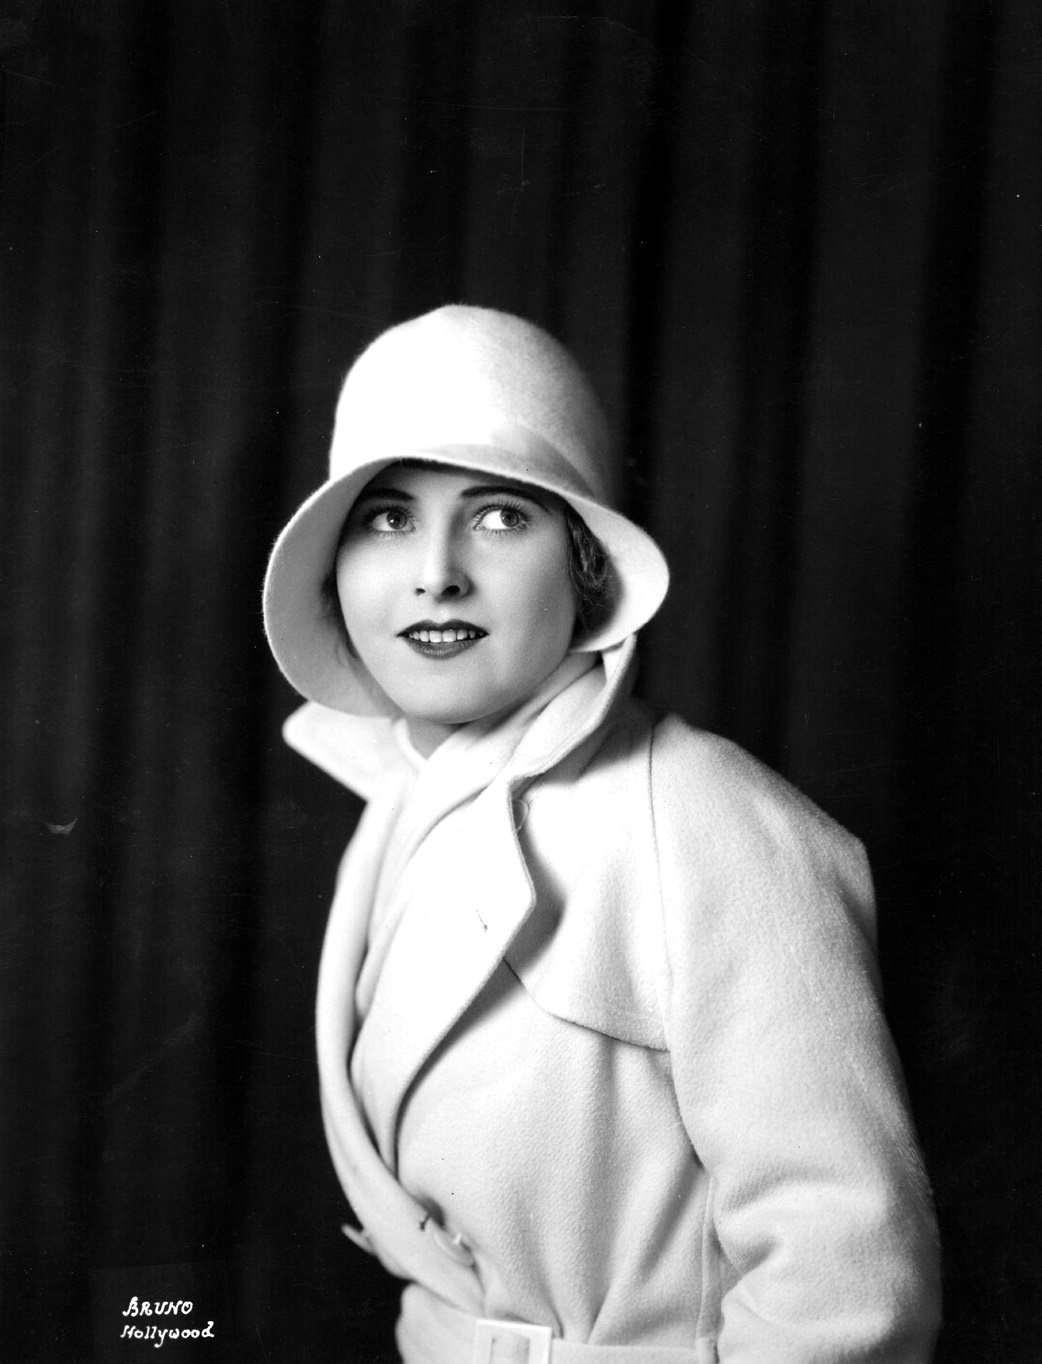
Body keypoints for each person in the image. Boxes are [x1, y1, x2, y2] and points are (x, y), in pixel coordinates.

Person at [263, 305, 940, 1363]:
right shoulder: (397, 806)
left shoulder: (701, 811)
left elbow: (844, 1282)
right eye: (387, 518)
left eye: (498, 517)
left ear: (584, 570)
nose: (436, 569)